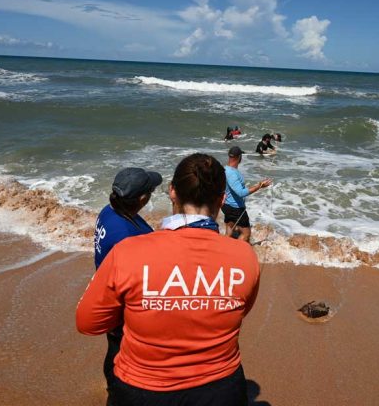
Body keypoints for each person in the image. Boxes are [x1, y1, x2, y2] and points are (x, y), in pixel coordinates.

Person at [77, 153, 260, 406]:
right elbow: (240, 309)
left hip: (140, 390)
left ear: (172, 191)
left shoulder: (128, 252)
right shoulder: (245, 256)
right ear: (222, 199)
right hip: (221, 388)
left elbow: (88, 323)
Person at [93, 167, 162, 404]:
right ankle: (118, 394)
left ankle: (113, 387)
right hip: (123, 306)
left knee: (114, 348)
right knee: (125, 355)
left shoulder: (110, 211)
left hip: (109, 297)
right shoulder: (126, 236)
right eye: (151, 191)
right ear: (142, 199)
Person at [222, 146, 272, 242]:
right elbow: (241, 193)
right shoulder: (232, 173)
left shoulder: (225, 169)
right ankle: (238, 254)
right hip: (235, 208)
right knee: (246, 233)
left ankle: (224, 248)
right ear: (239, 157)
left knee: (230, 230)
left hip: (226, 205)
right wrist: (260, 185)